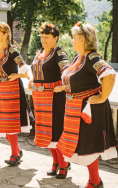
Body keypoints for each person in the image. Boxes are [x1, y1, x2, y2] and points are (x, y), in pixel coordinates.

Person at [56, 22, 118, 188]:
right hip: (75, 109)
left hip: (88, 111)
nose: (72, 41)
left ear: (83, 40)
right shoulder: (79, 58)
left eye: (75, 38)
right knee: (85, 145)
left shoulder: (93, 58)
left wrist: (103, 97)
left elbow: (109, 75)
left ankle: (95, 181)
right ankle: (95, 181)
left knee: (88, 145)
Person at [0, 20, 34, 166]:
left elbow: (25, 68)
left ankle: (14, 153)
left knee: (11, 125)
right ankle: (17, 150)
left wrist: (18, 76)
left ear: (5, 34)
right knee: (3, 125)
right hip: (1, 90)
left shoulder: (12, 50)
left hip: (13, 89)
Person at [28, 23, 71, 179]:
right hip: (39, 99)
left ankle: (64, 164)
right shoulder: (38, 52)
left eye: (47, 37)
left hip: (55, 98)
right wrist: (31, 80)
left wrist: (64, 85)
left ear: (56, 38)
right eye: (42, 37)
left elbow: (66, 69)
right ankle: (55, 162)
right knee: (45, 132)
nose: (43, 40)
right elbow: (34, 71)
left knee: (57, 131)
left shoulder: (59, 53)